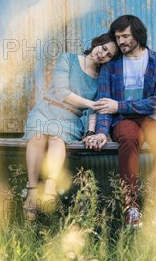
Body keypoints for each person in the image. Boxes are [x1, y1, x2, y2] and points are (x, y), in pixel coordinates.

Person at [85, 15, 156, 228]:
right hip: (123, 120)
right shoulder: (110, 67)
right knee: (127, 137)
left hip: (152, 118)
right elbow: (105, 105)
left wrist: (120, 105)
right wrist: (101, 132)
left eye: (125, 36)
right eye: (118, 37)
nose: (121, 41)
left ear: (138, 34)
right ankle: (131, 207)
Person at [22, 33, 117, 221]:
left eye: (109, 55)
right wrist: (90, 103)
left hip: (70, 119)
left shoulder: (100, 78)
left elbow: (93, 112)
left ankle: (50, 187)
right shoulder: (68, 59)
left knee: (57, 137)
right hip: (45, 110)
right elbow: (62, 92)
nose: (103, 54)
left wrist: (90, 131)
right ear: (97, 42)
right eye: (103, 48)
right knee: (38, 136)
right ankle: (32, 191)